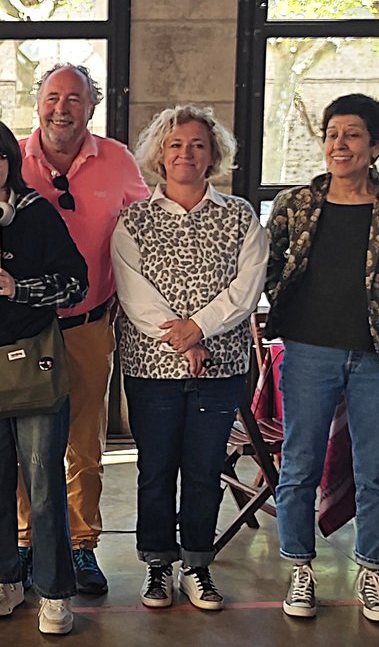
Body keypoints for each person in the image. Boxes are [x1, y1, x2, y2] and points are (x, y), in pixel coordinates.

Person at [266, 93, 379, 623]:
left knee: (377, 472)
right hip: (309, 353)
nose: (339, 144)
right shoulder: (295, 204)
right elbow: (267, 266)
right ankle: (300, 568)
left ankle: (371, 573)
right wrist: (286, 307)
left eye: (353, 135)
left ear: (377, 145)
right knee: (299, 466)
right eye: (332, 134)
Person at [113, 105, 266, 611]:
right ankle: (158, 564)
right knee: (156, 470)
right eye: (176, 144)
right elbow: (134, 294)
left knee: (204, 470)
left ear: (213, 154)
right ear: (160, 154)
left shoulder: (239, 216)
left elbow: (247, 288)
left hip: (220, 367)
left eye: (198, 144)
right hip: (151, 367)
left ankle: (198, 565)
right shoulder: (134, 219)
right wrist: (183, 340)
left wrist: (199, 328)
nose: (186, 153)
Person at [0, 119, 88, 634]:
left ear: (12, 162)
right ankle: (1, 579)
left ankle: (54, 590)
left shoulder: (37, 214)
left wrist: (19, 287)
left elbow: (76, 284)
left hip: (35, 366)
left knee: (44, 483)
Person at [17, 63, 150, 593]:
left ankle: (81, 544)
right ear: (37, 103)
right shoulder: (10, 158)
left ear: (91, 107)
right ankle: (26, 542)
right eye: (53, 97)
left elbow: (145, 233)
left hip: (90, 324)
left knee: (84, 442)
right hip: (24, 328)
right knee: (24, 438)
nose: (62, 109)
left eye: (74, 98)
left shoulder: (118, 161)